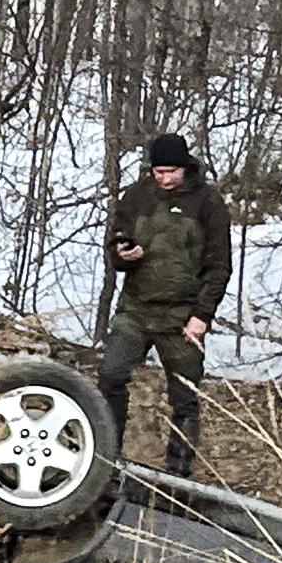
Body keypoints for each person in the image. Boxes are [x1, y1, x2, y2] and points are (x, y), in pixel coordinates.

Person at [98, 132, 232, 477]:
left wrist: (202, 315)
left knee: (185, 396)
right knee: (111, 374)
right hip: (136, 308)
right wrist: (124, 255)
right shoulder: (137, 196)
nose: (166, 179)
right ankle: (104, 459)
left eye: (172, 171)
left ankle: (179, 475)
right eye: (159, 172)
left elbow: (220, 265)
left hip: (182, 315)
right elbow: (114, 246)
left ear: (185, 167)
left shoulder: (207, 202)